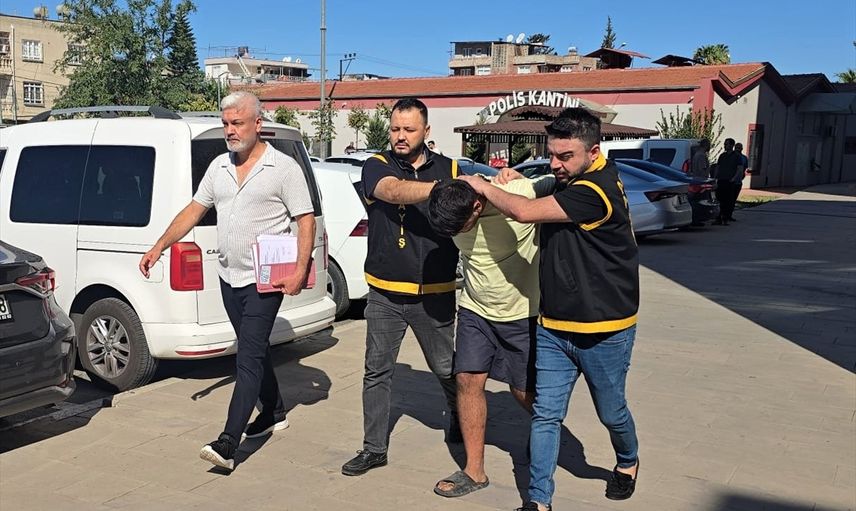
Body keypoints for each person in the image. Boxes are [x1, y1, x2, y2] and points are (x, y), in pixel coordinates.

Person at [460, 107, 641, 511]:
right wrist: (519, 180)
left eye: (565, 156)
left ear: (594, 152)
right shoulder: (574, 179)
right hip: (555, 325)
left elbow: (523, 212)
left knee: (611, 412)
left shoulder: (596, 190)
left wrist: (481, 184)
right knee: (545, 414)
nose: (556, 164)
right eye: (552, 154)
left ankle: (627, 461)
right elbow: (538, 193)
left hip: (604, 329)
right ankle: (539, 501)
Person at [139, 91, 316, 472]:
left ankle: (228, 442)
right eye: (225, 124)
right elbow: (194, 210)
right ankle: (274, 411)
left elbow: (305, 220)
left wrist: (300, 269)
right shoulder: (218, 166)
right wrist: (159, 246)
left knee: (247, 357)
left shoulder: (283, 168)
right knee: (255, 349)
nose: (230, 130)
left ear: (257, 124)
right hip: (228, 276)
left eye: (237, 123)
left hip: (265, 281)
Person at [341, 98, 461, 477]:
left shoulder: (450, 167)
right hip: (385, 292)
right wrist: (443, 189)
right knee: (376, 371)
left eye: (409, 129)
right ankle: (374, 448)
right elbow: (392, 191)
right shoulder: (376, 165)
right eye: (395, 129)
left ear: (426, 131)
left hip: (435, 291)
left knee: (446, 367)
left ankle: (461, 416)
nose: (400, 136)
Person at [427, 174, 554, 498]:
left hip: (521, 311)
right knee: (467, 380)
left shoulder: (519, 193)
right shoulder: (449, 201)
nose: (455, 234)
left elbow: (562, 183)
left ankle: (546, 429)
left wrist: (519, 176)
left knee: (522, 391)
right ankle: (474, 470)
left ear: (477, 206)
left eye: (460, 227)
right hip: (475, 309)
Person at [714, 138, 741, 225]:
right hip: (721, 180)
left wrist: (734, 178)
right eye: (725, 144)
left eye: (727, 144)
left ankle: (725, 218)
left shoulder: (736, 156)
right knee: (719, 199)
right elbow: (718, 167)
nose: (725, 146)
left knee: (728, 200)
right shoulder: (722, 156)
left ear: (732, 145)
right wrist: (715, 177)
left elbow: (739, 169)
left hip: (729, 181)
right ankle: (718, 218)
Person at [731, 143, 749, 221]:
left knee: (734, 199)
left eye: (739, 148)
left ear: (742, 149)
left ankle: (730, 214)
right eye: (736, 147)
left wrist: (742, 176)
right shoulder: (731, 157)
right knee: (728, 199)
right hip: (730, 181)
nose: (737, 149)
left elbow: (744, 168)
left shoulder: (744, 158)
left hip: (738, 181)